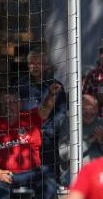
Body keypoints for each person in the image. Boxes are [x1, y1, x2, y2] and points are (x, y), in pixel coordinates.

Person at [16, 47, 68, 184]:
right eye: (31, 63)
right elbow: (16, 111)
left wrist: (49, 130)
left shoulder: (56, 86)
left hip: (48, 138)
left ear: (45, 65)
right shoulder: (21, 85)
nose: (34, 66)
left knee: (50, 177)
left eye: (38, 63)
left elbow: (62, 113)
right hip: (27, 137)